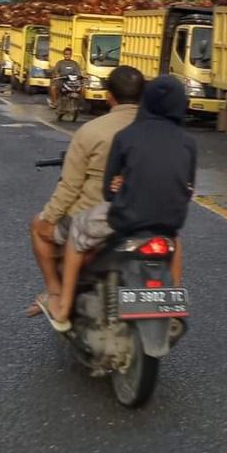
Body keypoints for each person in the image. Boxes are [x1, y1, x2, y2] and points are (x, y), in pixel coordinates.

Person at [50, 75, 197, 329]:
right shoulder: (189, 143)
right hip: (168, 224)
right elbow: (187, 188)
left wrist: (122, 186)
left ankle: (63, 305)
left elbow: (108, 192)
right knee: (175, 243)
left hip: (126, 220)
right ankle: (171, 301)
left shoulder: (127, 136)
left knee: (76, 231)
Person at [30, 65, 145, 324]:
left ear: (108, 96)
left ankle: (57, 295)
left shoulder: (92, 131)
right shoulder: (156, 131)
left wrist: (50, 218)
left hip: (97, 216)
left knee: (39, 227)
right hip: (147, 217)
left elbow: (70, 187)